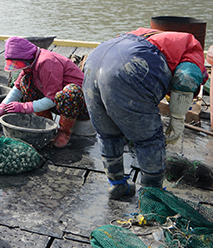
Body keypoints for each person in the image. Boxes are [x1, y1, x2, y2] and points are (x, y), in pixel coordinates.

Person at [82, 28, 206, 199]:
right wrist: (177, 120)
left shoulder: (146, 34)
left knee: (107, 134)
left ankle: (117, 185)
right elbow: (185, 80)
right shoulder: (192, 48)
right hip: (129, 67)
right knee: (149, 139)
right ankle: (151, 195)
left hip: (95, 60)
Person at [0, 37, 89, 148]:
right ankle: (46, 124)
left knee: (70, 92)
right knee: (25, 83)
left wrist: (23, 107)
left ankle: (64, 132)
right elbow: (17, 89)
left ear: (26, 58)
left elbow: (53, 98)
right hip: (58, 103)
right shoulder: (30, 64)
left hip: (80, 106)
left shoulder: (47, 62)